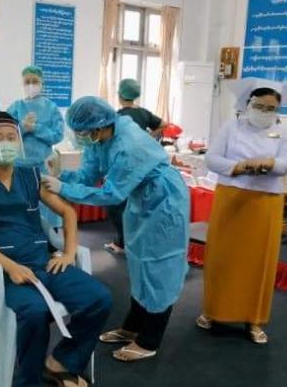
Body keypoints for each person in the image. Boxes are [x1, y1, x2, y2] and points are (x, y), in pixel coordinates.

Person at [0, 111, 111, 387]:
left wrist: (69, 253)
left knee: (99, 299)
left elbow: (68, 212)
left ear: (19, 142)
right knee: (35, 311)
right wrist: (10, 267)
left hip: (44, 264)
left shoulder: (31, 177)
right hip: (4, 273)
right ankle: (29, 380)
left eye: (11, 137)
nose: (5, 143)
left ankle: (60, 362)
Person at [41, 96, 189, 362]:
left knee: (158, 266)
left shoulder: (129, 145)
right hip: (141, 198)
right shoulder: (100, 139)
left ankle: (150, 339)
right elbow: (88, 174)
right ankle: (133, 326)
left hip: (164, 201)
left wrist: (63, 188)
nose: (81, 137)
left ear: (99, 126)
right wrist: (60, 176)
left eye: (83, 133)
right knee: (139, 263)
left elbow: (111, 194)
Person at [197, 83, 287, 344]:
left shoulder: (283, 132)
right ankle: (212, 310)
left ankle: (254, 319)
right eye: (259, 106)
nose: (264, 112)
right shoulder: (231, 127)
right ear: (248, 104)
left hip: (266, 201)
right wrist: (239, 167)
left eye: (271, 108)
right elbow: (212, 159)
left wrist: (270, 164)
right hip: (231, 197)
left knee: (259, 261)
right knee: (221, 257)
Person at [103, 79, 168, 254]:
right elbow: (164, 124)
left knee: (117, 205)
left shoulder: (118, 116)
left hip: (126, 165)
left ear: (120, 95)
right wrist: (148, 137)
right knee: (138, 204)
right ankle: (135, 242)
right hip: (143, 164)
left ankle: (122, 243)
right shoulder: (143, 113)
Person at [7, 65, 65, 228]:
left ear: (42, 83)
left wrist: (36, 128)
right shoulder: (16, 107)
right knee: (20, 207)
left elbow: (58, 135)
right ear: (22, 84)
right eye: (27, 82)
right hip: (19, 166)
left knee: (46, 207)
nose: (31, 85)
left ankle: (49, 238)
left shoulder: (51, 108)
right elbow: (6, 135)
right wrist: (22, 127)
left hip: (43, 166)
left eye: (35, 81)